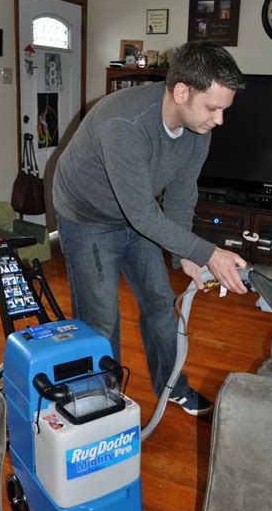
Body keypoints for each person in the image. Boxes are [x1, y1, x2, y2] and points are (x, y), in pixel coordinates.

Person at [53, 40, 247, 417]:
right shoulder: (124, 124)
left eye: (225, 109)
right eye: (213, 107)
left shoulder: (198, 132)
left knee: (160, 302)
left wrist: (184, 255)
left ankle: (172, 386)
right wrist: (207, 253)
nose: (219, 119)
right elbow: (144, 215)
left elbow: (179, 197)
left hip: (136, 214)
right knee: (101, 318)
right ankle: (101, 404)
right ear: (181, 92)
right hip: (87, 217)